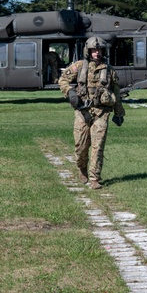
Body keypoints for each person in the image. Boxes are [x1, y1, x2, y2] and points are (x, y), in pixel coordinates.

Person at [58, 36, 126, 189]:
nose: (97, 53)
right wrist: (70, 93)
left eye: (99, 50)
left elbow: (116, 92)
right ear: (88, 51)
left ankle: (95, 178)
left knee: (98, 146)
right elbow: (62, 80)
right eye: (94, 50)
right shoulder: (79, 66)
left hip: (102, 112)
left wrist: (119, 113)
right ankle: (82, 168)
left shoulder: (109, 71)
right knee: (81, 146)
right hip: (82, 112)